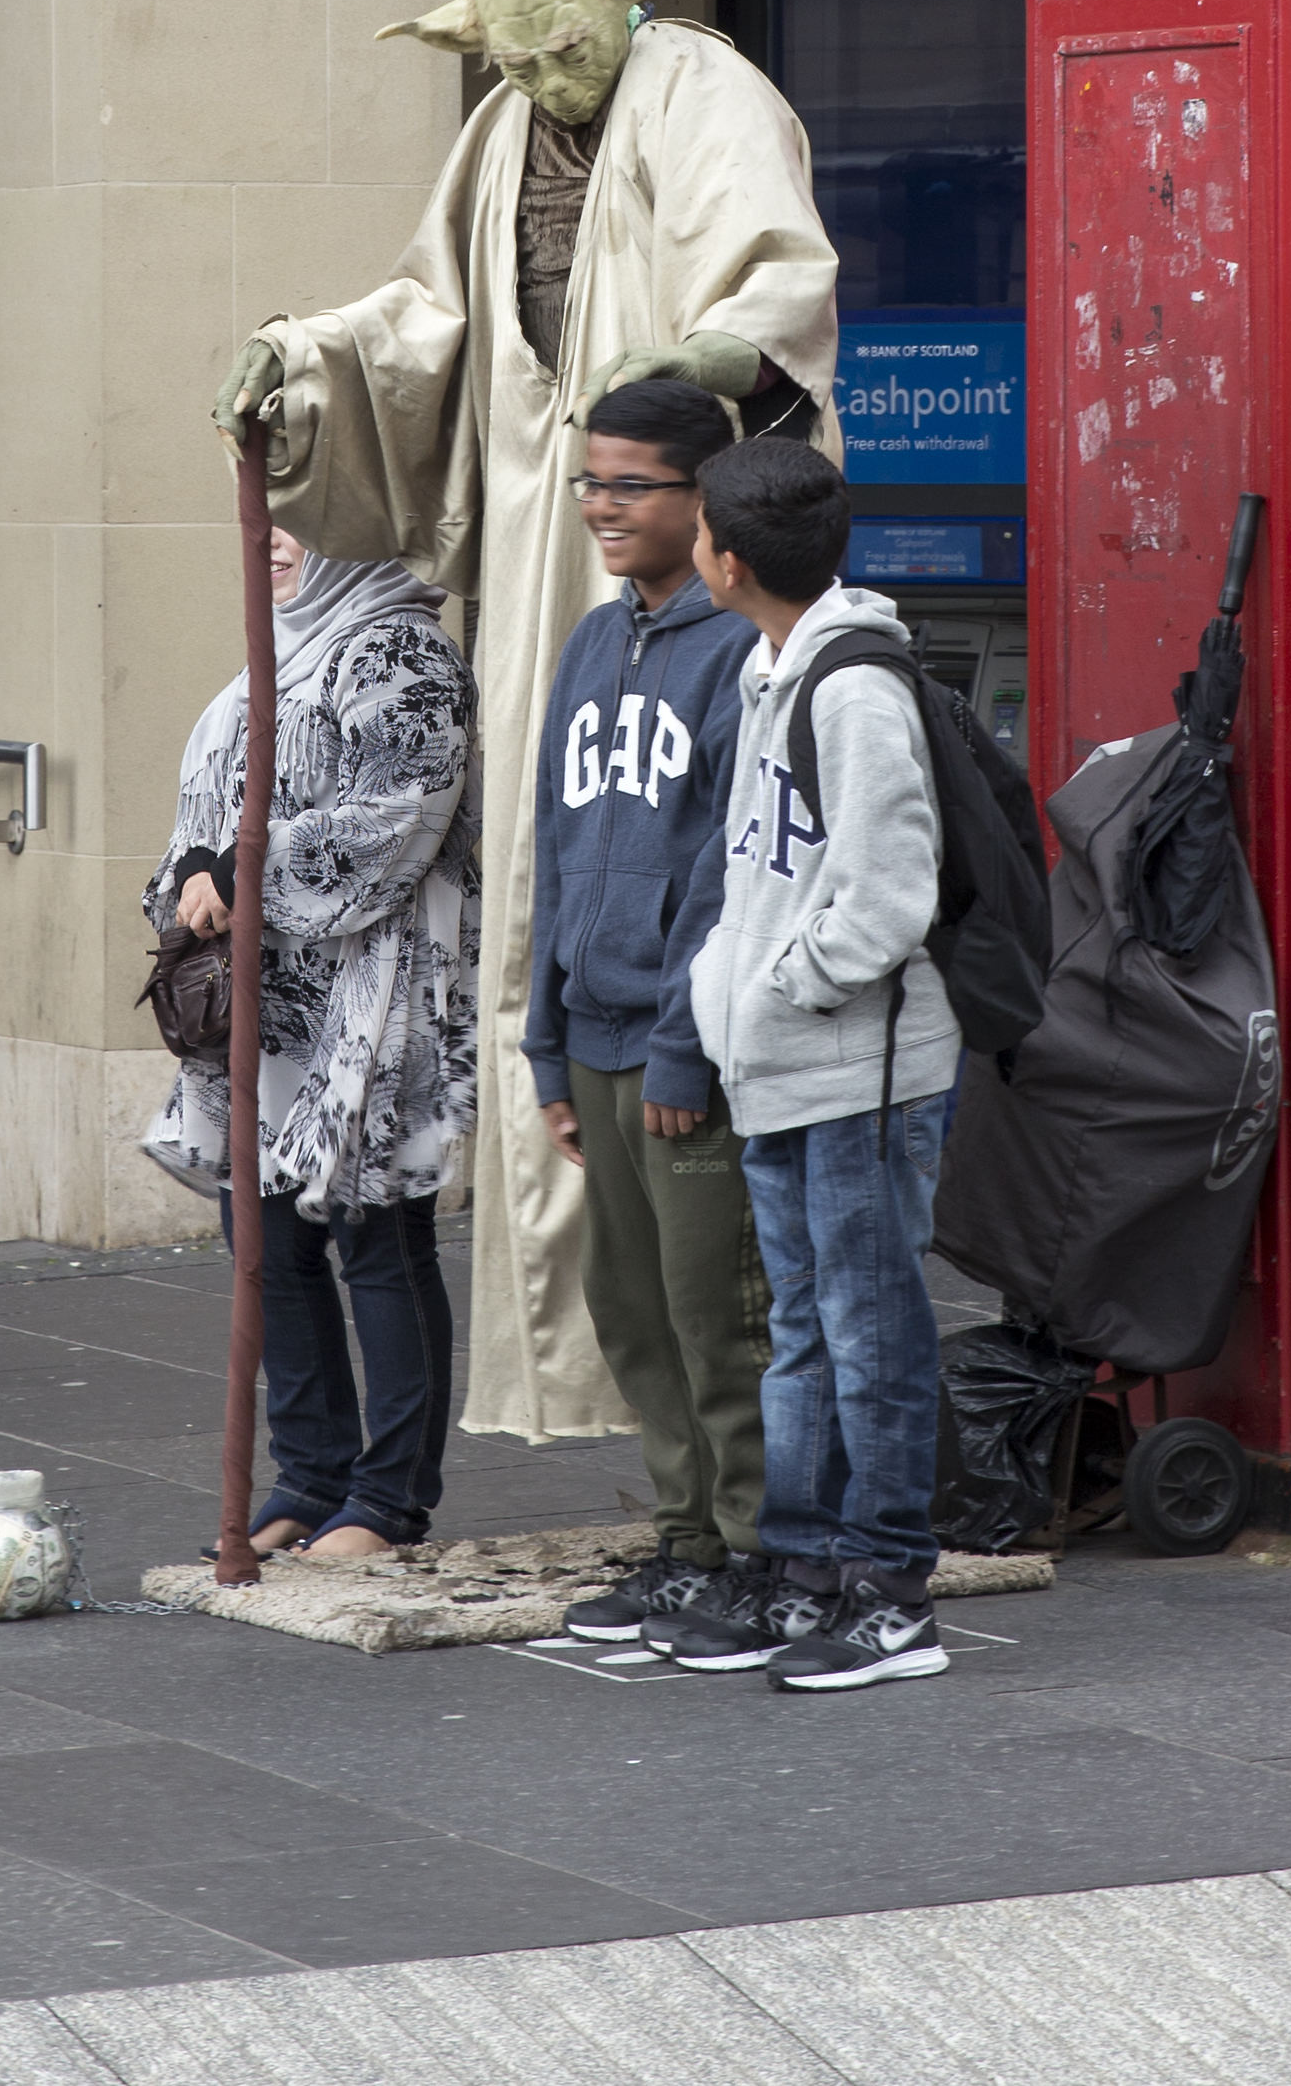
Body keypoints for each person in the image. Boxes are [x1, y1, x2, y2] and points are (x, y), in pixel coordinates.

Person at [209, 0, 839, 1444]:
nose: (548, 79)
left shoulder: (707, 92)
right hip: (537, 550)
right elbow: (425, 322)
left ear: (616, 6)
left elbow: (771, 281)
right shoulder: (499, 136)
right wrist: (300, 363)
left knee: (682, 844)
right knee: (554, 877)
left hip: (675, 526)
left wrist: (717, 361)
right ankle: (613, 1391)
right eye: (517, 55)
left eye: (564, 48)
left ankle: (730, 1449)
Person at [660, 438, 958, 1689]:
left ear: (723, 557)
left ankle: (891, 1595)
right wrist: (735, 1002)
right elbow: (756, 868)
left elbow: (889, 895)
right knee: (800, 1331)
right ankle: (801, 1573)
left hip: (861, 1073)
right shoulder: (763, 663)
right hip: (782, 1064)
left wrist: (782, 986)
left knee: (868, 1332)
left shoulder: (850, 687)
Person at [141, 529, 480, 1556]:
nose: (272, 541)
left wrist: (245, 870)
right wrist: (197, 870)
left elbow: (397, 817)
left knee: (377, 1242)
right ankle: (310, 1475)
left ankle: (387, 1500)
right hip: (263, 1010)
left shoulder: (402, 652)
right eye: (264, 521)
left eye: (303, 521)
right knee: (268, 1247)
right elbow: (200, 821)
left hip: (370, 1001)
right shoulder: (269, 655)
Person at [523, 376, 765, 1645]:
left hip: (686, 1052)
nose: (600, 507)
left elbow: (726, 872)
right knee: (629, 1313)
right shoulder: (587, 638)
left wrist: (681, 1046)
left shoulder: (738, 650)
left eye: (629, 485)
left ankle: (753, 1548)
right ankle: (682, 1540)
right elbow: (558, 848)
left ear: (700, 497)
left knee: (715, 1317)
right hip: (594, 1036)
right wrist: (543, 1039)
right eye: (589, 482)